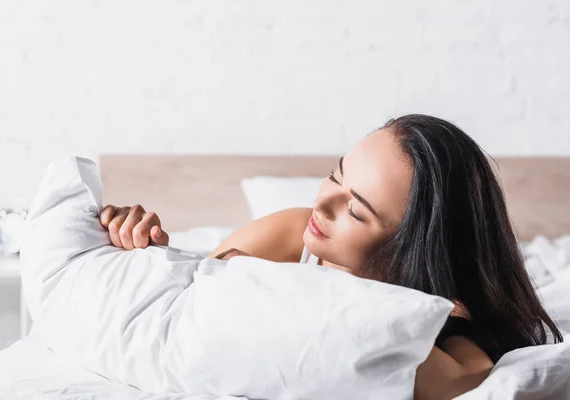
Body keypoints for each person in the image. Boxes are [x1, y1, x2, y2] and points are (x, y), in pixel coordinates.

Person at [99, 114, 563, 399]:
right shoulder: (291, 233)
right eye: (334, 176)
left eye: (355, 210)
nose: (322, 204)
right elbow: (186, 305)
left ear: (412, 251)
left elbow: (466, 386)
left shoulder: (448, 325)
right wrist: (147, 249)